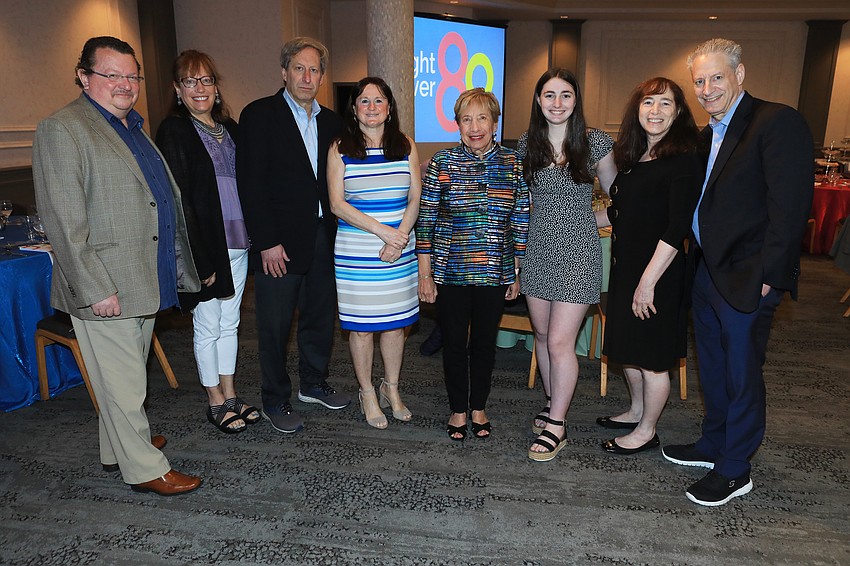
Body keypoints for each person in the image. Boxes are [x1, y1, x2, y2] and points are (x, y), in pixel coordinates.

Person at [31, 36, 202, 495]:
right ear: (83, 77)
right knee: (126, 384)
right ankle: (145, 468)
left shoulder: (132, 127)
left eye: (132, 75)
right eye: (112, 74)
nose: (125, 84)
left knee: (123, 375)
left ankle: (117, 447)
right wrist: (94, 287)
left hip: (143, 277)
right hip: (106, 284)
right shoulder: (63, 129)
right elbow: (63, 221)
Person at [662, 38, 813, 506]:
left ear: (740, 74)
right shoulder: (707, 133)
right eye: (699, 81)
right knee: (713, 365)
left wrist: (771, 275)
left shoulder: (775, 121)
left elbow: (790, 206)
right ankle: (714, 443)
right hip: (707, 270)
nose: (707, 89)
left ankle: (735, 468)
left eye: (717, 78)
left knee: (742, 372)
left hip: (749, 274)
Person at [237, 37, 349, 434]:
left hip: (323, 237)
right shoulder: (259, 115)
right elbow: (250, 184)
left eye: (314, 70)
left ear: (321, 76)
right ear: (284, 72)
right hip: (278, 244)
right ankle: (275, 399)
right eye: (299, 68)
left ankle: (314, 383)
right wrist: (266, 241)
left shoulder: (333, 122)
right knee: (275, 326)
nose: (306, 76)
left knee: (320, 316)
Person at [597, 77, 703, 455]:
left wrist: (647, 283)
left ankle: (647, 430)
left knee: (653, 360)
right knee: (629, 350)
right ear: (637, 109)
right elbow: (621, 212)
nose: (655, 111)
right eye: (648, 103)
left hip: (659, 275)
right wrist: (574, 221)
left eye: (665, 103)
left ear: (678, 112)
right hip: (627, 269)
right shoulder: (634, 157)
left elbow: (677, 227)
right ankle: (636, 411)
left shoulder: (685, 159)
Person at [416, 88, 529, 441]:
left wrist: (516, 270)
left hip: (495, 271)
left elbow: (521, 218)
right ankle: (458, 409)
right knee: (453, 342)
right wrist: (424, 274)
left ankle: (478, 406)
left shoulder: (513, 163)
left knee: (483, 343)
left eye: (482, 118)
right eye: (467, 119)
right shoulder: (442, 163)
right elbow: (425, 221)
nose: (475, 127)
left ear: (495, 123)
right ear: (458, 124)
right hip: (451, 271)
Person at [155, 50, 258, 434]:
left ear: (216, 87)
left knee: (231, 323)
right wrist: (198, 258)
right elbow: (178, 198)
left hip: (238, 239)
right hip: (206, 244)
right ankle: (214, 400)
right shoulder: (174, 130)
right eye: (190, 81)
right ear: (177, 89)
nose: (199, 88)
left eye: (206, 80)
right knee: (208, 325)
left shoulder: (229, 128)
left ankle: (230, 393)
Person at [517, 69, 617, 462]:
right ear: (538, 100)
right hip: (537, 251)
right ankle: (551, 401)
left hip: (578, 254)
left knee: (560, 342)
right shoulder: (527, 143)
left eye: (565, 95)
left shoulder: (595, 142)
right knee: (542, 336)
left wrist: (589, 221)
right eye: (549, 95)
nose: (557, 103)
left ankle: (557, 424)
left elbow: (622, 198)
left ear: (576, 100)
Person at [327, 77, 421, 429]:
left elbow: (415, 197)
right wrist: (384, 233)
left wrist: (399, 237)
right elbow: (337, 204)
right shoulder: (340, 147)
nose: (371, 107)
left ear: (389, 107)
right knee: (362, 328)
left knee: (396, 326)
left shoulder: (406, 145)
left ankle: (390, 388)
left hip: (400, 248)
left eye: (378, 100)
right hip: (357, 252)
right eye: (364, 101)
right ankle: (367, 392)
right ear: (354, 109)